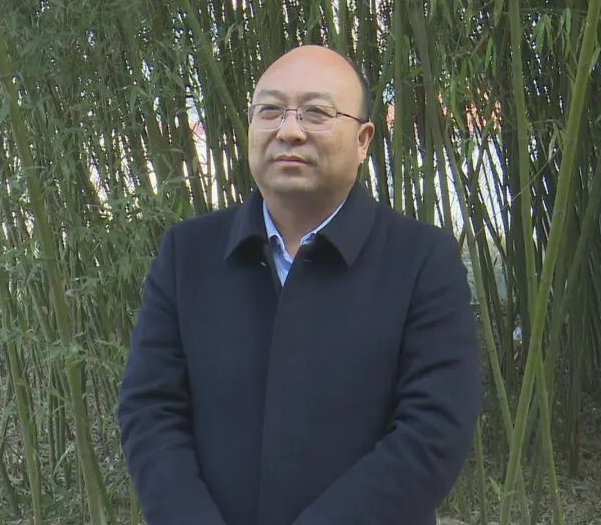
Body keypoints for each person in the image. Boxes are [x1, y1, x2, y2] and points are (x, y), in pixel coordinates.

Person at [117, 45, 481, 525]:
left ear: (363, 140)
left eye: (316, 112)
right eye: (270, 111)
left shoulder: (422, 260)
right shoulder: (187, 253)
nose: (289, 131)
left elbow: (433, 431)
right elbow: (150, 410)